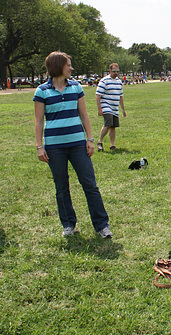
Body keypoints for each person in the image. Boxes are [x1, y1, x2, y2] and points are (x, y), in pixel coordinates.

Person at [34, 51, 112, 238]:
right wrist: (39, 146)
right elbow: (38, 121)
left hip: (77, 144)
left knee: (90, 184)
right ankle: (68, 224)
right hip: (54, 147)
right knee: (61, 187)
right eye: (68, 64)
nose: (71, 68)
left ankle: (102, 225)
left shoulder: (76, 87)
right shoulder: (42, 91)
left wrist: (90, 139)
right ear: (58, 66)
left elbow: (84, 115)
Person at [95, 63, 126, 152]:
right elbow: (98, 95)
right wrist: (99, 109)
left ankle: (112, 145)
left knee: (113, 126)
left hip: (115, 107)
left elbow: (121, 96)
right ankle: (100, 142)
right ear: (110, 71)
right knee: (108, 123)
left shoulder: (119, 81)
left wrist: (123, 109)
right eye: (114, 71)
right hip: (106, 106)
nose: (116, 73)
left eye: (117, 71)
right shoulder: (104, 81)